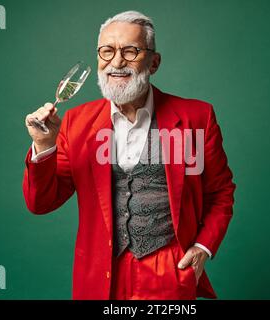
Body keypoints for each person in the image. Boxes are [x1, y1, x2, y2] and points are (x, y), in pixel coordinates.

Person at [23, 10, 236, 300]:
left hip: (169, 270)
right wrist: (45, 146)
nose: (117, 62)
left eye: (130, 51)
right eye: (107, 51)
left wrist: (203, 248)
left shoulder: (197, 117)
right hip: (101, 274)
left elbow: (221, 192)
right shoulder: (76, 122)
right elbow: (41, 202)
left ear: (154, 62)